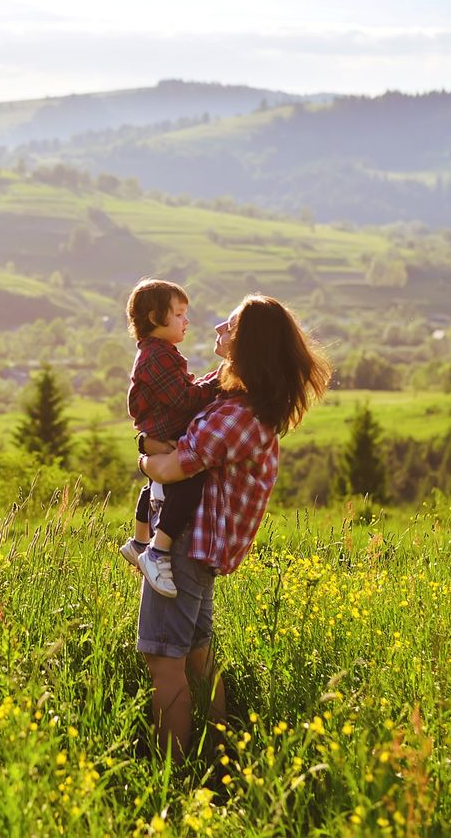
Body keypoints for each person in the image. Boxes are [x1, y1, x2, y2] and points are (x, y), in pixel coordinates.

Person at [136, 294, 330, 759]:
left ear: (252, 344)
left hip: (184, 547)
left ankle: (175, 774)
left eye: (234, 324)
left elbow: (173, 467)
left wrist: (145, 455)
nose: (220, 326)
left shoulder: (242, 417)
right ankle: (220, 754)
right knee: (198, 660)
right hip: (194, 548)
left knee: (164, 661)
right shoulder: (233, 396)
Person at [121, 278, 221, 598]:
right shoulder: (160, 356)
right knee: (189, 479)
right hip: (167, 429)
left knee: (154, 485)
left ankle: (138, 541)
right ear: (155, 319)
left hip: (158, 431)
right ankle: (158, 549)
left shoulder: (158, 353)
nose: (185, 320)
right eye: (178, 314)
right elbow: (183, 400)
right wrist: (218, 384)